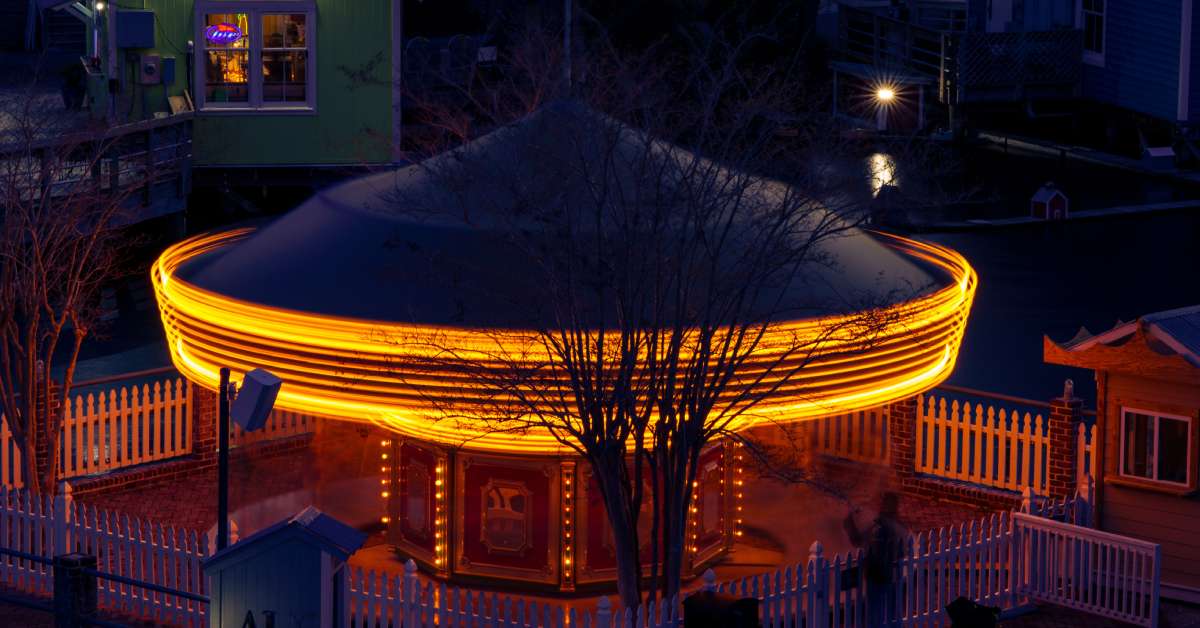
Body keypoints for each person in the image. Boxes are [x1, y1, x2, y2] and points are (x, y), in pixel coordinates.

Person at [844, 492, 908, 627]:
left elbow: (857, 540)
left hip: (876, 576)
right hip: (890, 576)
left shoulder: (877, 528)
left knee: (874, 614)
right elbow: (903, 552)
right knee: (891, 614)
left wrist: (849, 521)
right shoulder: (898, 527)